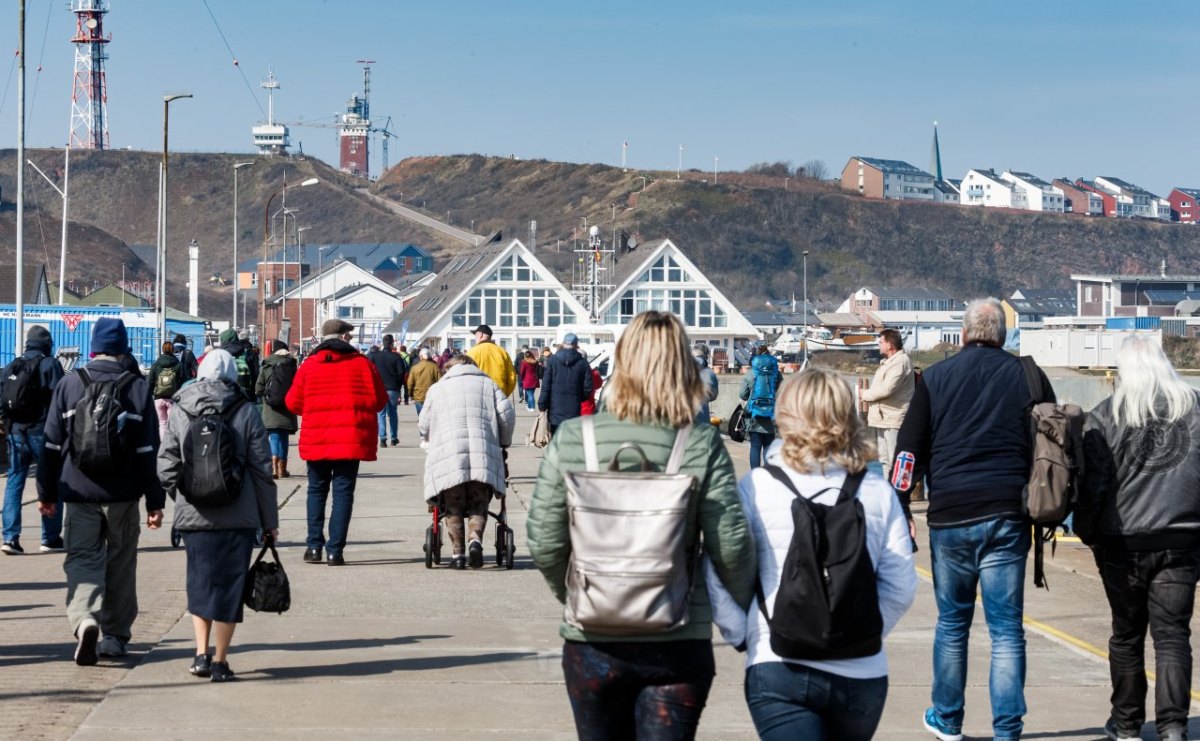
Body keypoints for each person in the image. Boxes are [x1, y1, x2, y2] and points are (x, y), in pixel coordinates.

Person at [528, 310, 757, 739]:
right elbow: (730, 543)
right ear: (683, 366)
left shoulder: (575, 437)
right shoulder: (699, 442)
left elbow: (544, 540)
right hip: (678, 639)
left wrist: (580, 595)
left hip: (593, 639)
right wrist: (745, 612)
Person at [708, 368, 917, 740]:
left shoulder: (757, 486)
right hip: (860, 672)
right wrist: (859, 632)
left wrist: (742, 634)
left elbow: (718, 567)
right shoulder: (877, 492)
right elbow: (900, 587)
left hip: (778, 662)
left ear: (785, 415)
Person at [892, 297, 1055, 741]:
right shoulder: (1028, 376)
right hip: (1008, 511)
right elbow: (1052, 443)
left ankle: (948, 721)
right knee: (1006, 630)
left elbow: (908, 449)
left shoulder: (935, 378)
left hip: (951, 515)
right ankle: (1007, 730)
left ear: (963, 334)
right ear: (1002, 335)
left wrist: (900, 502)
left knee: (952, 625)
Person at [1079, 337, 1200, 741]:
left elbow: (1095, 485)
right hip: (1182, 539)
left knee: (1126, 635)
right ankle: (1173, 727)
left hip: (1122, 542)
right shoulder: (1194, 407)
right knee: (1173, 636)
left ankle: (1127, 724)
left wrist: (1088, 531)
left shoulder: (1106, 414)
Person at [36, 317, 163, 664]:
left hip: (78, 493)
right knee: (121, 565)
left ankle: (84, 619)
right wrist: (155, 501)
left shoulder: (69, 384)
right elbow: (148, 450)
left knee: (82, 559)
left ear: (93, 347)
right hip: (123, 495)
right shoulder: (137, 388)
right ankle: (115, 638)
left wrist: (46, 492)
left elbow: (50, 445)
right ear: (123, 348)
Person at [158, 350, 279, 682]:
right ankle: (221, 661)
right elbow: (261, 470)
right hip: (238, 517)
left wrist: (185, 496)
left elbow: (166, 464)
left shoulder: (181, 407)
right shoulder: (246, 410)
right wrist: (269, 520)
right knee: (230, 585)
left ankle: (200, 654)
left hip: (194, 517)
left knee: (199, 582)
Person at [285, 319, 386, 566]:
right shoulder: (362, 364)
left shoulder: (309, 365)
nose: (350, 339)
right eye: (349, 335)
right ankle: (335, 551)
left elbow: (292, 403)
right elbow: (379, 401)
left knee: (316, 490)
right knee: (343, 493)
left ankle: (313, 547)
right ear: (342, 337)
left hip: (318, 438)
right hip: (350, 440)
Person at [418, 355, 515, 569]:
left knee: (452, 505)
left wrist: (427, 438)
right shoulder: (489, 385)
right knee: (479, 502)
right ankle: (475, 541)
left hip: (449, 455)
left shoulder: (437, 388)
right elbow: (507, 416)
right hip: (483, 453)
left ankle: (458, 555)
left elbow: (423, 423)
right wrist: (504, 442)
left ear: (448, 369)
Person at [1, 325, 65, 554]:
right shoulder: (50, 364)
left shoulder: (12, 365)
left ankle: (10, 538)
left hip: (16, 433)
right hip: (43, 432)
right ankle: (50, 538)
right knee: (51, 481)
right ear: (47, 344)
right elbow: (60, 399)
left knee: (14, 482)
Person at [860, 328, 914, 471]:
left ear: (890, 345)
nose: (879, 344)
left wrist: (864, 394)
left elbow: (887, 389)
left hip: (893, 419)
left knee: (895, 460)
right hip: (883, 418)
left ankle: (896, 486)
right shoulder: (889, 362)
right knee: (885, 460)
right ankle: (887, 485)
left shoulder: (900, 362)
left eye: (881, 342)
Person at [255, 339, 299, 479]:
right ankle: (282, 470)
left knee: (274, 436)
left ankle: (273, 468)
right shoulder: (292, 365)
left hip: (271, 407)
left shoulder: (267, 365)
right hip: (287, 407)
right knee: (284, 437)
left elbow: (258, 388)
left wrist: (266, 396)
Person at [538, 333, 593, 436]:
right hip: (574, 410)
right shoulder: (583, 363)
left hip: (555, 412)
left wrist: (542, 405)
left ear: (563, 344)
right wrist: (579, 398)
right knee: (572, 441)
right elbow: (588, 387)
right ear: (576, 345)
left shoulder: (552, 361)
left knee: (556, 440)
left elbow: (546, 386)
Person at [740, 343, 781, 469]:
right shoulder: (776, 373)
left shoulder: (751, 373)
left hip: (754, 414)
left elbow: (742, 394)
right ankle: (769, 473)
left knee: (755, 446)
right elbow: (781, 391)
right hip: (771, 414)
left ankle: (755, 474)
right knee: (769, 445)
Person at [368, 335, 408, 448]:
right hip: (393, 389)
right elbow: (401, 373)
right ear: (391, 344)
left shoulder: (375, 356)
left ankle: (383, 438)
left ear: (383, 343)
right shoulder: (396, 357)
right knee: (392, 413)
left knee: (381, 414)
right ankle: (394, 438)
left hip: (379, 388)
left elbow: (369, 371)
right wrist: (398, 386)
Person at [466, 324, 517, 399]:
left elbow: (466, 377)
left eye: (475, 335)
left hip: (479, 395)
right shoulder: (502, 352)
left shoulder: (472, 352)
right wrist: (504, 394)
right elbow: (512, 378)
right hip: (499, 394)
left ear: (480, 334)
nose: (475, 338)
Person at [149, 341, 184, 440]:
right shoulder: (178, 364)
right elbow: (184, 380)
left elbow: (150, 381)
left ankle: (162, 444)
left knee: (162, 423)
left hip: (158, 398)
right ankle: (171, 444)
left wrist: (152, 394)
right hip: (173, 398)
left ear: (162, 349)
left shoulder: (156, 365)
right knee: (172, 423)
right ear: (173, 350)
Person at [407, 347, 441, 447]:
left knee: (421, 417)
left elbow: (410, 383)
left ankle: (423, 436)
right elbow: (440, 381)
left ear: (421, 357)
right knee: (432, 417)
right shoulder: (435, 367)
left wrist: (410, 394)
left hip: (419, 396)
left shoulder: (415, 367)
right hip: (432, 396)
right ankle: (432, 436)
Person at [214, 328, 258, 401]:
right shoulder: (249, 352)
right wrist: (252, 395)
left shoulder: (218, 354)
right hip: (245, 395)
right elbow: (255, 374)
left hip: (223, 396)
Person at [693, 343, 720, 425]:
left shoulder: (680, 368)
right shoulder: (709, 373)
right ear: (706, 356)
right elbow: (713, 395)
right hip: (701, 419)